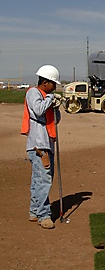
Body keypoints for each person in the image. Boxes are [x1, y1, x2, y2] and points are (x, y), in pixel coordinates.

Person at [21, 65, 62, 229]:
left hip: (46, 143)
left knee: (39, 180)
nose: (55, 87)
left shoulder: (45, 97)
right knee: (44, 180)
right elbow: (38, 110)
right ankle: (43, 215)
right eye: (54, 84)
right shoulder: (34, 93)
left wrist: (56, 108)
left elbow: (54, 120)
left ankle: (34, 211)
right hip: (39, 145)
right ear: (46, 82)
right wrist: (50, 99)